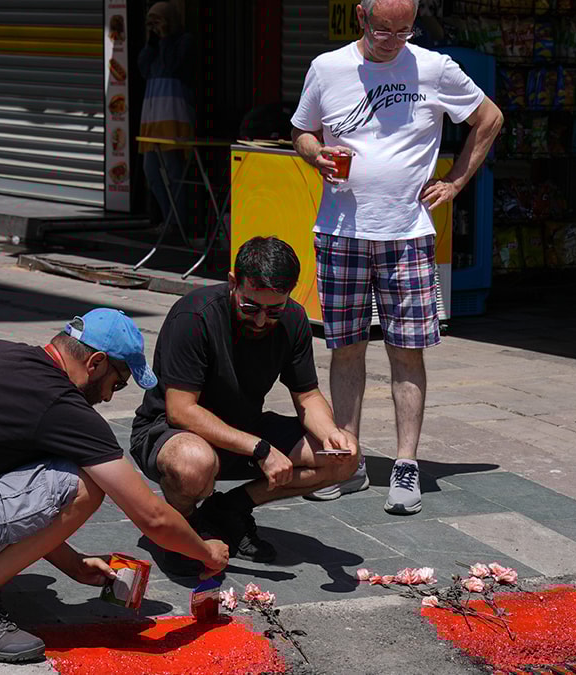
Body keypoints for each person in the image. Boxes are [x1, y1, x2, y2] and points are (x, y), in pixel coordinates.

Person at [0, 309, 229, 664]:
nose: (109, 397)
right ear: (94, 363)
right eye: (115, 383)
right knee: (83, 484)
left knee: (30, 466)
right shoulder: (57, 402)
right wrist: (204, 552)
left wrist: (73, 564)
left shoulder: (0, 354)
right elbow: (153, 517)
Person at [290, 0, 503, 514]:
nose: (390, 40)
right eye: (381, 29)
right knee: (346, 348)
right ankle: (349, 459)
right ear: (361, 16)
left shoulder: (434, 67)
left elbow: (490, 118)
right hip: (341, 231)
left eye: (403, 30)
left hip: (407, 234)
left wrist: (456, 181)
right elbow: (302, 131)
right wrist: (315, 154)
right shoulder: (328, 66)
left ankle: (406, 464)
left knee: (408, 350)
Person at [129, 236, 360, 571]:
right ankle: (185, 526)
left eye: (273, 310)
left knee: (345, 458)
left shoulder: (293, 320)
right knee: (193, 463)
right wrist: (261, 448)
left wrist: (329, 434)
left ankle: (228, 509)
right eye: (250, 307)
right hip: (170, 432)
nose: (262, 320)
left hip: (244, 429)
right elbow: (181, 410)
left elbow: (307, 395)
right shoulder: (195, 315)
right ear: (234, 282)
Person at [137, 1, 195, 231]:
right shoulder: (155, 46)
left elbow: (173, 65)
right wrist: (153, 41)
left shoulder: (183, 41)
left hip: (174, 112)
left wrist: (165, 38)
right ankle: (169, 217)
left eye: (157, 19)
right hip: (152, 114)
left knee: (174, 170)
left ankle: (178, 222)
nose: (153, 25)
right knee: (150, 170)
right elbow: (143, 69)